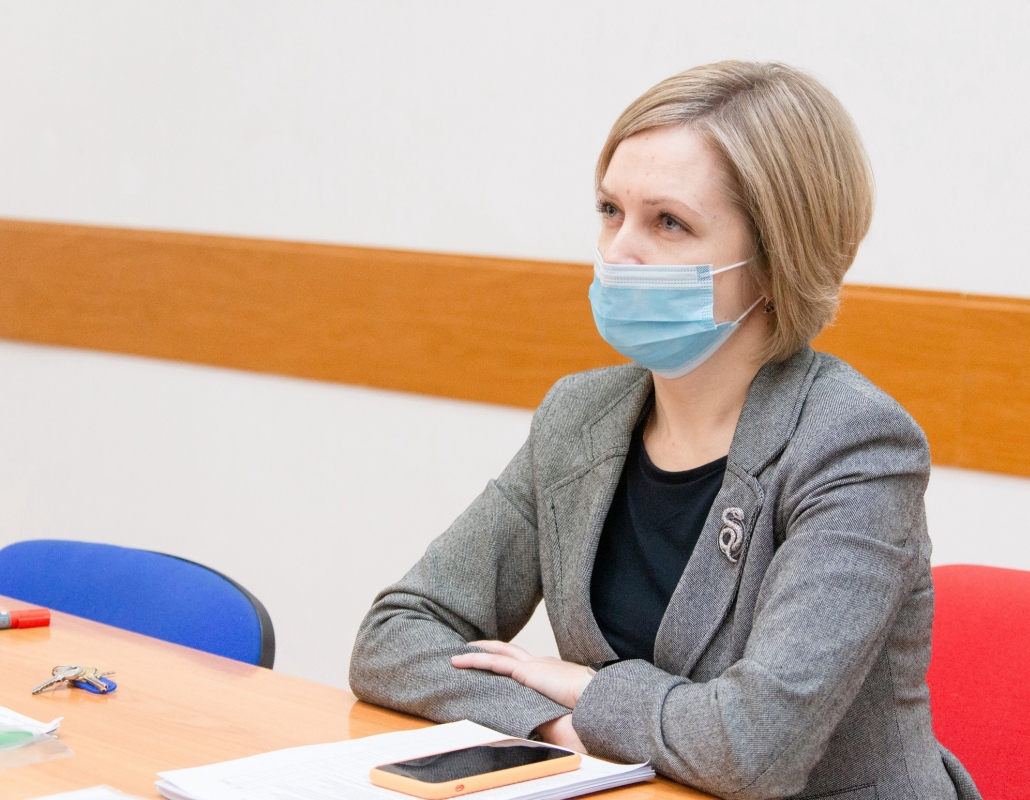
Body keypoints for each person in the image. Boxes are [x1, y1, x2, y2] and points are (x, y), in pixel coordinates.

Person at [351, 60, 981, 800]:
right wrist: (556, 724)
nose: (618, 252)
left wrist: (592, 690)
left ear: (776, 261)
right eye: (610, 210)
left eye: (668, 222)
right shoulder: (580, 417)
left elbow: (751, 747)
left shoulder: (855, 445)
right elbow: (396, 635)